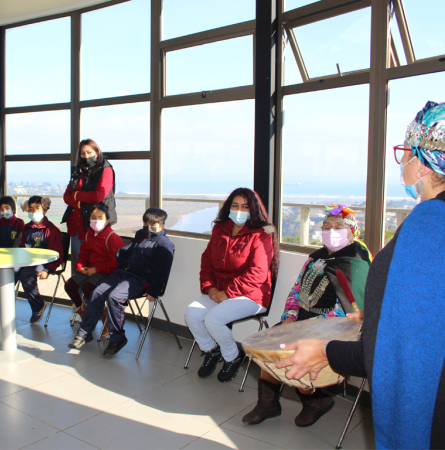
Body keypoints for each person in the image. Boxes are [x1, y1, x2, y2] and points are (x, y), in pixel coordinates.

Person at [274, 101, 445, 449]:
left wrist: (328, 352)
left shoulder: (429, 226)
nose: (404, 164)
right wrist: (381, 313)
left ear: (424, 164)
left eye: (406, 152)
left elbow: (404, 352)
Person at [241, 204, 372, 428]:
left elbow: (350, 312)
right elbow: (296, 290)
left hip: (331, 328)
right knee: (270, 345)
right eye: (326, 226)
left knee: (291, 348)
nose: (331, 231)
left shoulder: (355, 262)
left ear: (352, 232)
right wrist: (290, 317)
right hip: (299, 320)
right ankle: (268, 404)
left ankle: (314, 402)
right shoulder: (315, 258)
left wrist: (305, 327)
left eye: (338, 227)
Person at [184, 188, 279, 383]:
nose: (239, 210)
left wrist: (227, 293)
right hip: (220, 291)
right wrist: (210, 288)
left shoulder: (262, 234)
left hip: (252, 295)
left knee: (213, 319)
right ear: (228, 207)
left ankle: (233, 357)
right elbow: (207, 261)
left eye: (245, 207)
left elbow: (258, 273)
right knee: (192, 313)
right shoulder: (220, 229)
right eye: (235, 205)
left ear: (253, 210)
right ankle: (211, 350)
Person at [68, 207, 174, 357]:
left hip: (140, 279)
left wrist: (154, 290)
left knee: (114, 297)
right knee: (97, 292)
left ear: (162, 226)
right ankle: (85, 333)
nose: (148, 227)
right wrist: (121, 258)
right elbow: (128, 251)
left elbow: (162, 271)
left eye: (153, 224)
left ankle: (118, 338)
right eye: (146, 223)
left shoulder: (164, 244)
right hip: (124, 273)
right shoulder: (140, 234)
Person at [64, 203, 124, 329]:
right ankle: (86, 311)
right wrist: (80, 266)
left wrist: (96, 269)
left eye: (100, 217)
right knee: (69, 285)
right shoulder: (88, 235)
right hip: (89, 269)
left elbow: (115, 263)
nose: (96, 220)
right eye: (93, 217)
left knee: (88, 288)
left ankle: (99, 315)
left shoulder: (112, 238)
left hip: (105, 272)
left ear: (107, 221)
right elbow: (83, 255)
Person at [62, 139, 117, 263]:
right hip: (75, 225)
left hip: (94, 224)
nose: (86, 156)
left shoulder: (105, 169)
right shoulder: (78, 170)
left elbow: (98, 195)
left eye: (89, 152)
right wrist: (79, 202)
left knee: (95, 264)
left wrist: (76, 195)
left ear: (97, 153)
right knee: (80, 263)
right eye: (82, 153)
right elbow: (66, 196)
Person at [16, 196, 64, 323]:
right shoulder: (26, 228)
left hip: (44, 263)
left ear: (45, 210)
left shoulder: (51, 230)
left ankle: (38, 306)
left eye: (37, 208)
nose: (33, 212)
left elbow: (58, 254)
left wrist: (48, 269)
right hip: (27, 261)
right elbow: (21, 247)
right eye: (31, 209)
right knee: (10, 270)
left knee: (26, 275)